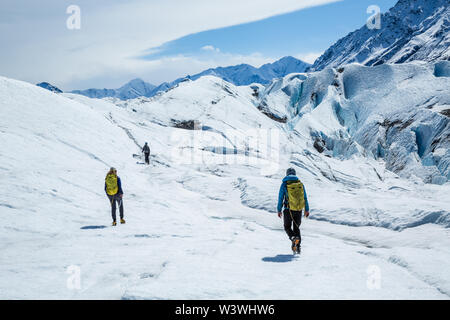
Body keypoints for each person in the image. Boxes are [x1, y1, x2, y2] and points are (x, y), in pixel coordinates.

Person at [277, 168, 310, 253]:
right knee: (296, 228)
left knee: (287, 227)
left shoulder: (284, 184)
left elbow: (280, 198)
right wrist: (306, 209)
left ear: (287, 174)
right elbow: (305, 197)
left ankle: (293, 238)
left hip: (288, 210)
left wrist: (279, 210)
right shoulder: (300, 184)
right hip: (298, 210)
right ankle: (298, 247)